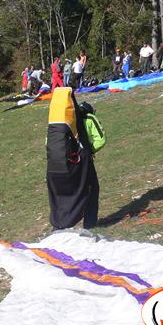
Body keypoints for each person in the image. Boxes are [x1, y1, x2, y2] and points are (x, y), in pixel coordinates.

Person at [46, 89, 101, 230]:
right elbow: (100, 140)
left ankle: (58, 225)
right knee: (90, 190)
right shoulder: (86, 119)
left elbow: (47, 144)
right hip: (79, 162)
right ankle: (88, 224)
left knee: (60, 195)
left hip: (55, 165)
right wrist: (89, 150)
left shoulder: (54, 126)